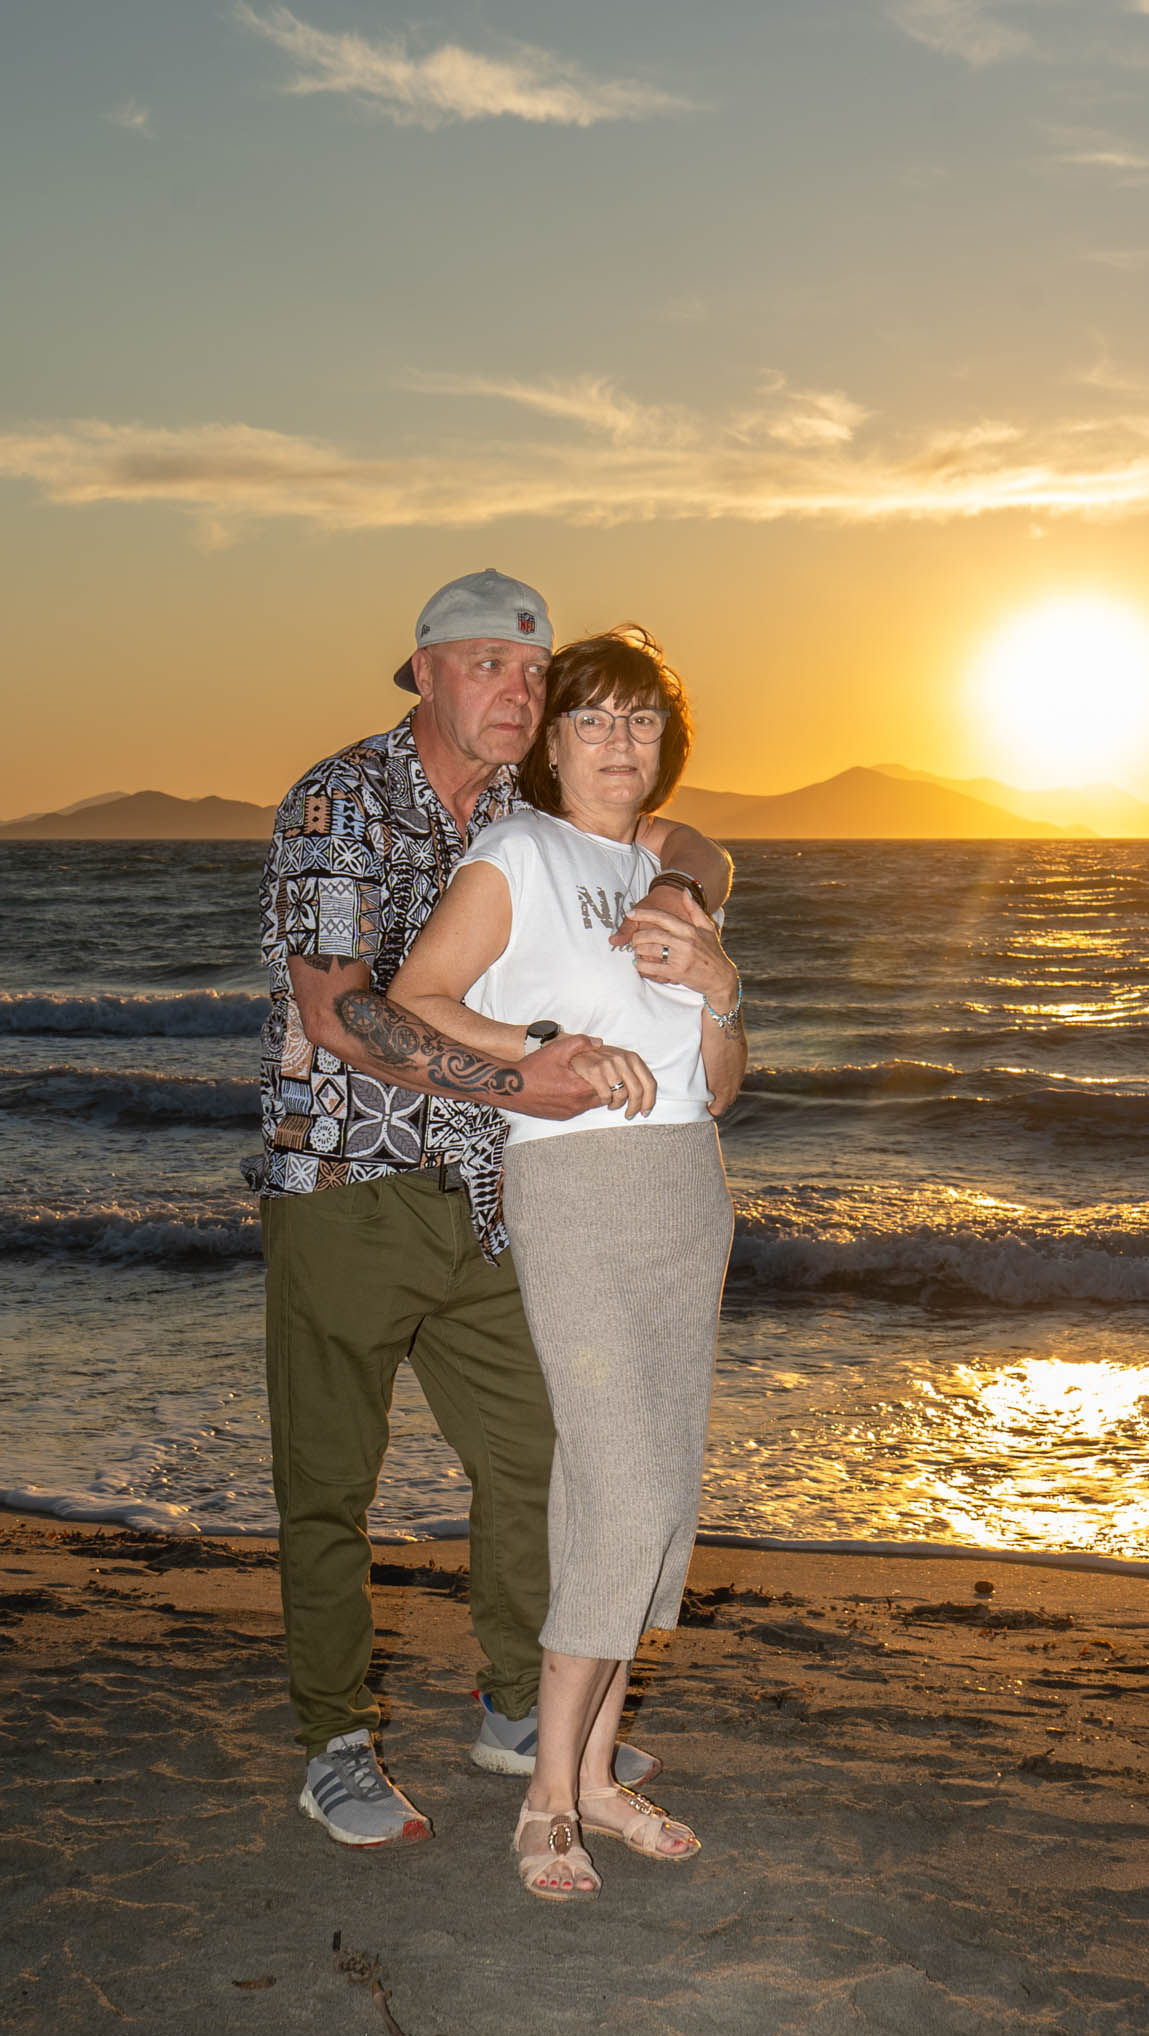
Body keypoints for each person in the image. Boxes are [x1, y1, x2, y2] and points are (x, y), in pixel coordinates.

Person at [249, 570, 731, 1847]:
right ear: (423, 672)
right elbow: (340, 1010)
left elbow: (681, 837)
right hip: (345, 1183)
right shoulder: (338, 800)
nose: (515, 691)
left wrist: (684, 894)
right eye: (484, 664)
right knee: (329, 1481)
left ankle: (519, 1703)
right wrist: (530, 1072)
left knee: (543, 1456)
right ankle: (334, 1740)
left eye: (531, 672)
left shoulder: (533, 804)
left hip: (491, 1193)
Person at [390, 625, 745, 1899]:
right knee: (621, 1484)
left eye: (640, 720)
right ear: (549, 740)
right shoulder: (519, 851)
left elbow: (720, 1085)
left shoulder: (664, 873)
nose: (617, 741)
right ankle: (546, 1797)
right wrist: (541, 1046)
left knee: (657, 1498)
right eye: (591, 718)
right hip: (576, 1189)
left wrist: (720, 982)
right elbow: (417, 996)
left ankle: (597, 1774)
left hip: (687, 1188)